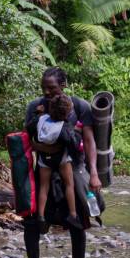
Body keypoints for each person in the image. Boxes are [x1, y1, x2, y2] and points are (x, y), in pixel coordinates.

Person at [23, 67, 102, 258]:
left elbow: (89, 140)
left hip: (73, 168)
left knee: (78, 219)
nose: (47, 92)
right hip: (45, 167)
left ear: (63, 85)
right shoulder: (34, 108)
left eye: (52, 88)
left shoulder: (79, 107)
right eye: (44, 88)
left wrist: (93, 173)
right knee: (31, 220)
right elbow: (28, 140)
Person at [28, 94, 82, 231]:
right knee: (69, 184)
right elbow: (73, 144)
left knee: (44, 187)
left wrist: (37, 112)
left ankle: (40, 215)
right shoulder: (65, 127)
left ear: (50, 109)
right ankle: (73, 214)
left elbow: (30, 127)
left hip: (44, 159)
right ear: (67, 113)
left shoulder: (41, 119)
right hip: (62, 159)